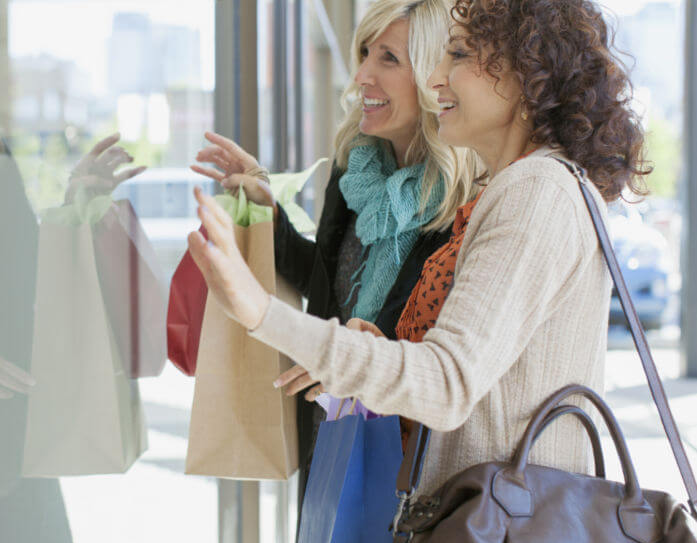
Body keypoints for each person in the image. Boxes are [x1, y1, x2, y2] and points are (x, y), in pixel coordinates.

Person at [187, 0, 649, 498]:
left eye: (457, 54)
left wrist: (261, 313)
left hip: (493, 534)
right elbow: (472, 363)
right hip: (472, 516)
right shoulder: (514, 187)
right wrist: (378, 347)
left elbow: (448, 381)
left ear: (523, 72)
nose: (436, 79)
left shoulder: (533, 193)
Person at [192, 0, 480, 508]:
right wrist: (267, 209)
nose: (362, 75)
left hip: (406, 454)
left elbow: (448, 362)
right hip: (328, 425)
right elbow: (322, 283)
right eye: (364, 52)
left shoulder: (467, 203)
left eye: (388, 58)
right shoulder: (354, 169)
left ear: (436, 77)